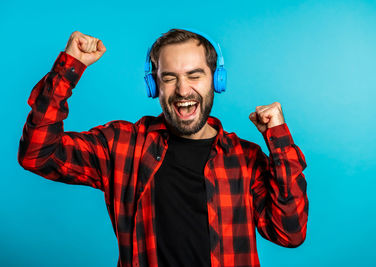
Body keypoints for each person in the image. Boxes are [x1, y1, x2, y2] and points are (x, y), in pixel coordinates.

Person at [18, 28, 308, 267]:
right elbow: (37, 154)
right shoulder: (122, 145)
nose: (183, 90)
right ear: (153, 85)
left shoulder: (245, 159)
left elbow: (289, 233)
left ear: (216, 80)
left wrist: (279, 141)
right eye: (169, 78)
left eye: (195, 75)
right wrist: (70, 66)